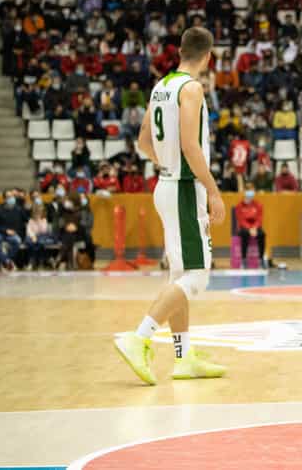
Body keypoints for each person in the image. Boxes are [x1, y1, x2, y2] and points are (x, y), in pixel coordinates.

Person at [113, 27, 227, 386]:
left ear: (180, 51)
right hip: (184, 189)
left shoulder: (161, 86)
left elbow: (143, 140)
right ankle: (139, 337)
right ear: (207, 57)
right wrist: (214, 192)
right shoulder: (191, 88)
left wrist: (165, 164)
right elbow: (191, 146)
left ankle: (183, 356)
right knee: (197, 275)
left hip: (165, 184)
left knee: (179, 275)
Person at [235, 188, 266, 269]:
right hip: (244, 227)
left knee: (262, 234)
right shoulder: (239, 206)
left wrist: (254, 228)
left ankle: (261, 259)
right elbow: (240, 220)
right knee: (244, 234)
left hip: (255, 227)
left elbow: (259, 218)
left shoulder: (258, 205)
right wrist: (249, 229)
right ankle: (244, 260)